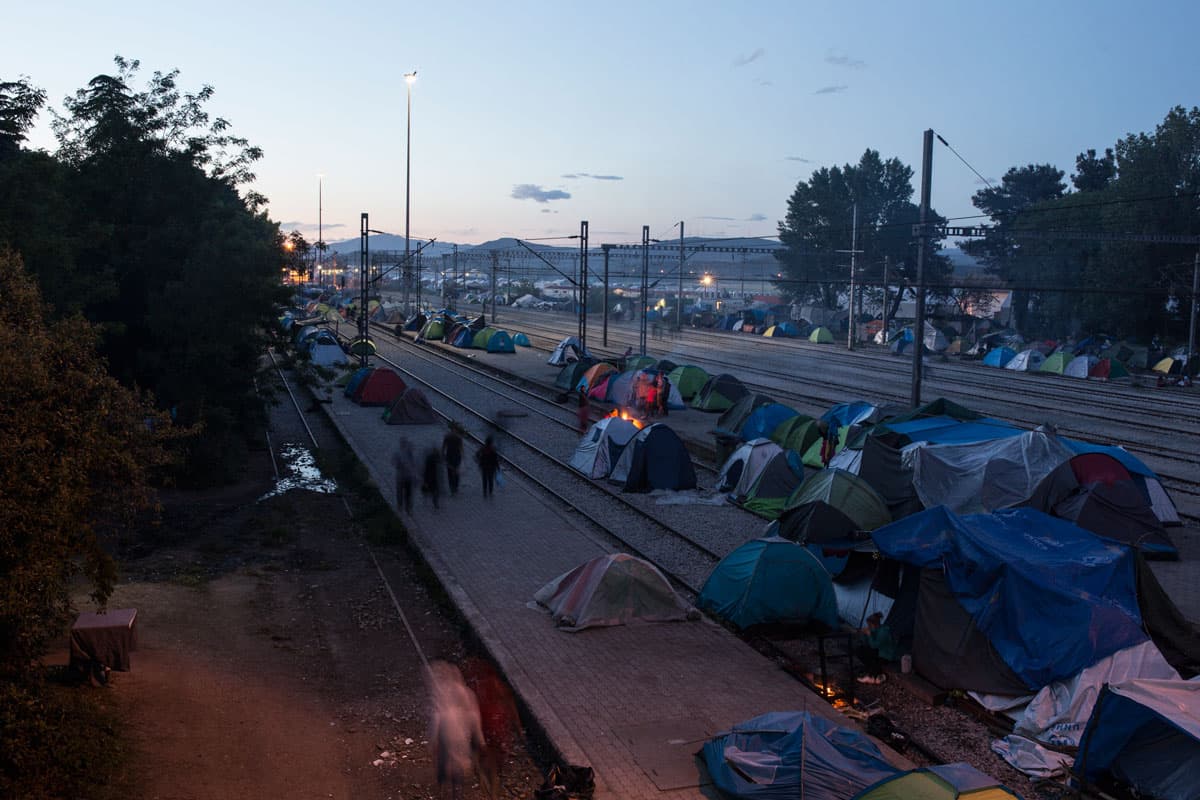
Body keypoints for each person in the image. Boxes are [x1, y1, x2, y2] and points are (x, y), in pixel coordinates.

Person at [462, 658, 522, 799]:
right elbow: (509, 702)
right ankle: (493, 790)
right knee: (493, 764)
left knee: (482, 762)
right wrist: (517, 725)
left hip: (484, 726)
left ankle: (488, 788)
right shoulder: (495, 683)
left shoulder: (473, 683)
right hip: (496, 726)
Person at [428, 661, 485, 800]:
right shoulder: (466, 694)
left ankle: (444, 790)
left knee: (446, 764)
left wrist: (433, 739)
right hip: (461, 734)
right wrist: (480, 738)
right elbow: (474, 715)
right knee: (458, 768)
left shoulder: (442, 694)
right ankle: (455, 793)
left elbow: (436, 716)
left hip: (448, 734)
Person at [855, 612, 898, 684]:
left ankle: (871, 676)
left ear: (874, 624)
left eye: (869, 625)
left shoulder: (884, 631)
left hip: (886, 655)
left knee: (870, 656)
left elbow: (874, 645)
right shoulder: (876, 629)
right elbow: (867, 644)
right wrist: (864, 635)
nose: (868, 626)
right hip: (879, 652)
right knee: (860, 650)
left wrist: (869, 635)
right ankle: (876, 674)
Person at [392, 438, 417, 513]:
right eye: (402, 443)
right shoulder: (397, 453)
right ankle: (400, 505)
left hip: (408, 477)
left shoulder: (410, 453)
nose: (403, 444)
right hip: (400, 477)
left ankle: (408, 508)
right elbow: (393, 462)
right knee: (400, 492)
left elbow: (414, 464)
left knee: (408, 493)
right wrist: (399, 464)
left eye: (404, 443)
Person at [443, 425, 464, 496]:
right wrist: (462, 455)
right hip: (456, 456)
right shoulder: (458, 437)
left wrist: (443, 454)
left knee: (450, 472)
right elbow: (461, 448)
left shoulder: (447, 436)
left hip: (450, 456)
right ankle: (455, 487)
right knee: (455, 471)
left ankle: (452, 488)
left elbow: (443, 447)